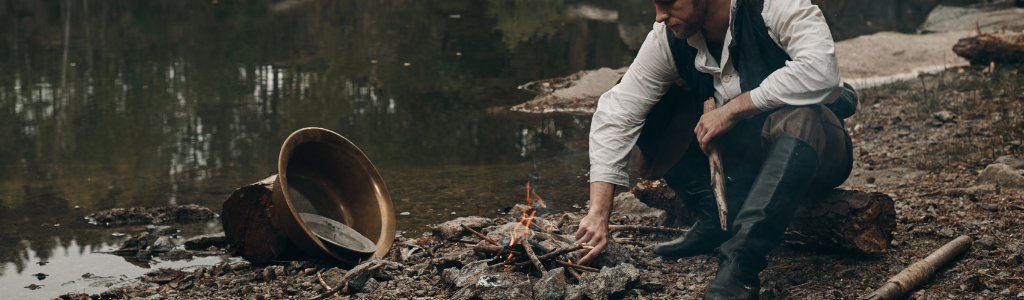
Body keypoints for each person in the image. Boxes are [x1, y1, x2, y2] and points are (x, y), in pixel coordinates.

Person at [573, 0, 858, 298]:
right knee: (650, 103)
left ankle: (740, 263)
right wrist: (598, 213)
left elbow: (823, 73)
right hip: (741, 163)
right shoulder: (667, 37)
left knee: (801, 117)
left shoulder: (776, 6)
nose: (659, 16)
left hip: (814, 152)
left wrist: (735, 108)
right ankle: (714, 218)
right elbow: (618, 112)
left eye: (668, 3)